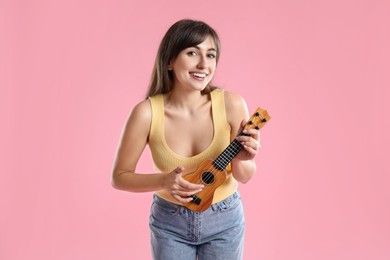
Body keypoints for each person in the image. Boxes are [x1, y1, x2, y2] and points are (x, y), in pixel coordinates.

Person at [111, 19, 261, 260]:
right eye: (192, 53)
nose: (203, 64)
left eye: (210, 55)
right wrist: (164, 181)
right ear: (170, 60)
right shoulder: (147, 113)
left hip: (224, 218)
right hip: (170, 221)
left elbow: (244, 176)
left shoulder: (232, 104)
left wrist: (243, 159)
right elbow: (119, 177)